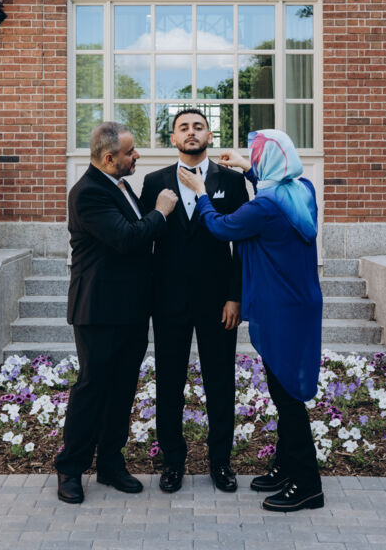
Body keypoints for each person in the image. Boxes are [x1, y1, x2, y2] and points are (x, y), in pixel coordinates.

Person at [178, 129, 324, 512]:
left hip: (281, 308)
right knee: (285, 390)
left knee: (287, 397)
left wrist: (201, 192)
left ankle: (307, 484)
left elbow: (221, 226)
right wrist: (248, 169)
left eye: (255, 155)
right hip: (301, 303)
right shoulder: (302, 191)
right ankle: (286, 467)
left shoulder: (264, 208)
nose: (252, 160)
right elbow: (271, 186)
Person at [55, 121, 178, 504]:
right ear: (109, 158)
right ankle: (70, 468)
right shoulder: (88, 193)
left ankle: (110, 463)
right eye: (130, 152)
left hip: (131, 310)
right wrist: (161, 212)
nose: (136, 155)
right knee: (92, 389)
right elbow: (127, 238)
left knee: (123, 388)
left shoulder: (120, 185)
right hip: (98, 311)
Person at [141, 109, 249, 493]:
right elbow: (145, 241)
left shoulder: (231, 181)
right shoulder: (154, 182)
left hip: (218, 302)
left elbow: (241, 244)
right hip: (168, 301)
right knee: (169, 383)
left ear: (209, 135)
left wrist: (235, 296)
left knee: (220, 383)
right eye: (183, 128)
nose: (191, 132)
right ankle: (173, 462)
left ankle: (221, 462)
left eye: (198, 127)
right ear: (173, 138)